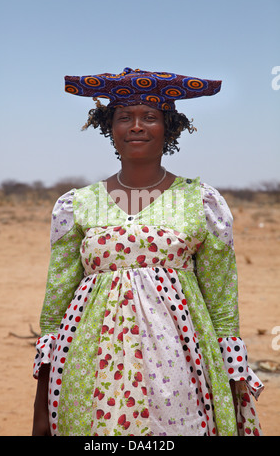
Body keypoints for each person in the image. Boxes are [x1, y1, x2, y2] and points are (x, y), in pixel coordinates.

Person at [32, 68, 264, 436]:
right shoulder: (77, 203)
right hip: (90, 361)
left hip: (180, 363)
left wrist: (232, 375)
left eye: (149, 117)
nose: (136, 126)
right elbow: (56, 306)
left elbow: (221, 300)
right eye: (124, 117)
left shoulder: (200, 201)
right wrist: (41, 406)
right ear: (110, 128)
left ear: (169, 129)